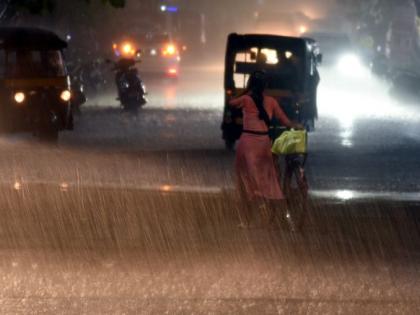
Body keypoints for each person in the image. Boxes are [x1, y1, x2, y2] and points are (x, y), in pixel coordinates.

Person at [229, 71, 303, 228]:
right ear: (265, 86)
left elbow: (231, 102)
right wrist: (296, 125)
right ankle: (283, 215)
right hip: (263, 143)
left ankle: (247, 220)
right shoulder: (272, 101)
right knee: (269, 180)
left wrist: (244, 91)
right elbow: (285, 121)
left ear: (251, 84)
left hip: (247, 144)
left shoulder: (246, 99)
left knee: (245, 182)